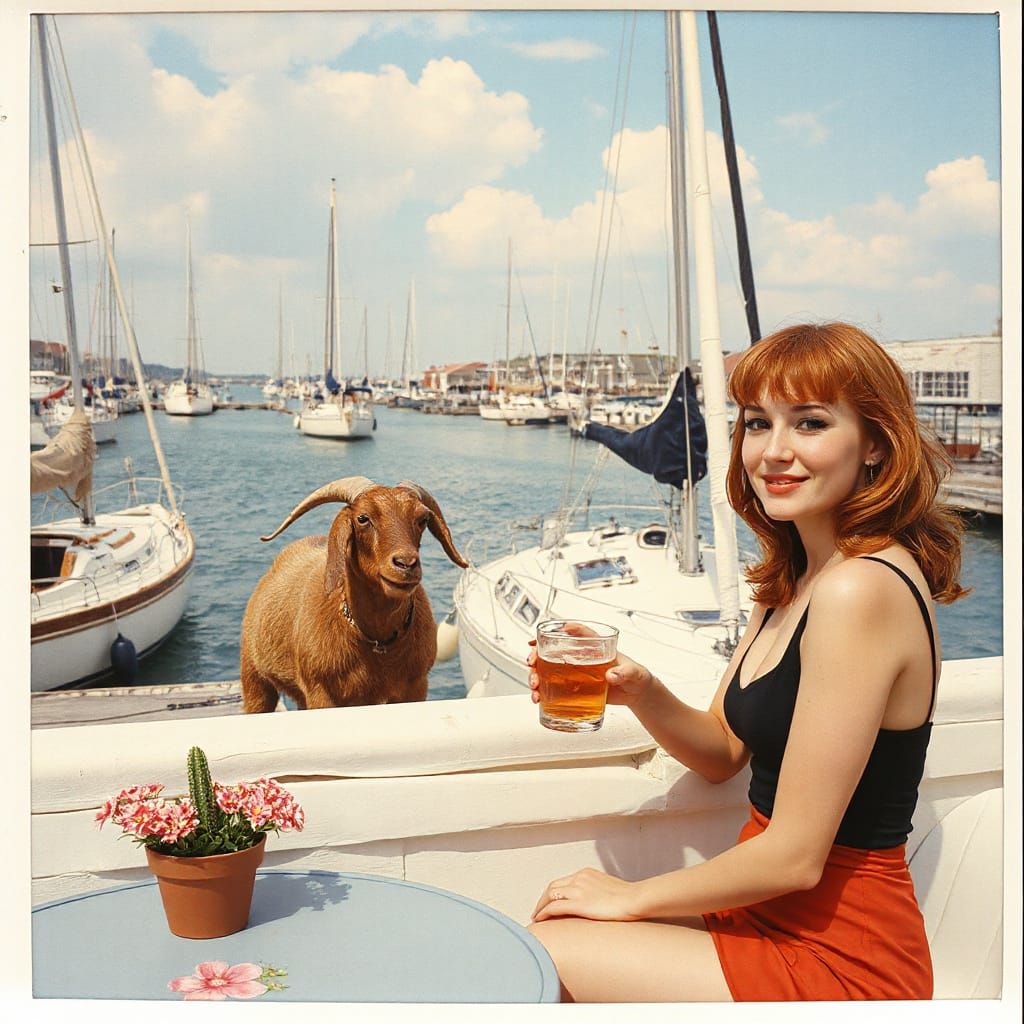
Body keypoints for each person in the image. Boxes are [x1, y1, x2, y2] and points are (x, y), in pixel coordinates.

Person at [526, 321, 967, 1002]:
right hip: (768, 916)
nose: (775, 451)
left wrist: (631, 897)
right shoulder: (793, 581)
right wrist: (640, 690)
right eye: (758, 423)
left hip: (842, 955)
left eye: (811, 423)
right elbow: (723, 751)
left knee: (545, 952)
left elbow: (794, 857)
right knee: (551, 926)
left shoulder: (861, 589)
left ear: (876, 445)